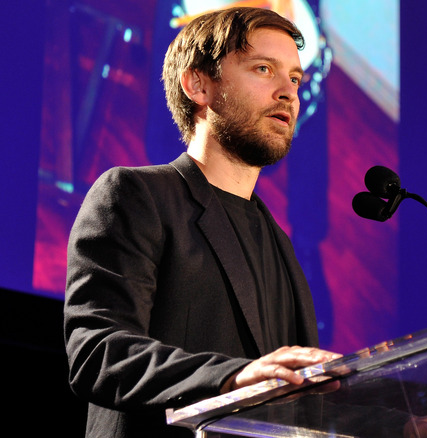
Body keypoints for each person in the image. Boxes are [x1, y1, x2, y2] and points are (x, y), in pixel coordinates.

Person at [64, 7, 340, 437]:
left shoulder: (283, 248)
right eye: (263, 69)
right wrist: (233, 379)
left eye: (295, 78)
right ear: (198, 84)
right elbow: (99, 353)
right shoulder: (135, 196)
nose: (288, 91)